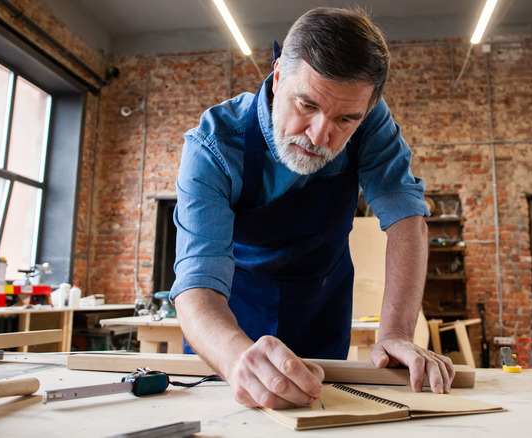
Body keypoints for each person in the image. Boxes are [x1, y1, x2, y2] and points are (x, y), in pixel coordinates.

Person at [170, 6, 455, 409]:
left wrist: (397, 334)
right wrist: (234, 359)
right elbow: (196, 283)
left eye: (345, 119)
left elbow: (407, 218)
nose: (320, 135)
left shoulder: (370, 122)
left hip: (322, 304)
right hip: (232, 315)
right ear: (278, 75)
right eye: (306, 105)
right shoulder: (213, 146)